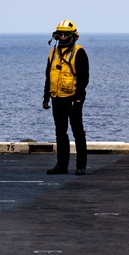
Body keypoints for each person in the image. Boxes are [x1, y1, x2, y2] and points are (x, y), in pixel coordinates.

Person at [43, 19, 89, 175]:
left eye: (66, 34)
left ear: (73, 35)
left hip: (72, 99)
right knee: (60, 133)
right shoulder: (53, 53)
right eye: (60, 34)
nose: (63, 37)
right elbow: (49, 76)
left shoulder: (79, 52)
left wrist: (78, 98)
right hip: (57, 98)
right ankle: (61, 165)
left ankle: (81, 166)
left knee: (78, 132)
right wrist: (46, 97)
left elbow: (84, 78)